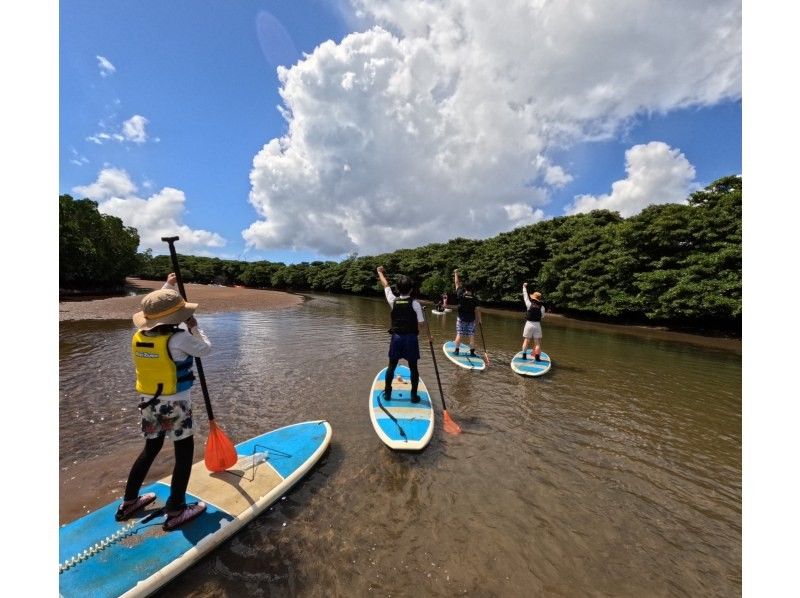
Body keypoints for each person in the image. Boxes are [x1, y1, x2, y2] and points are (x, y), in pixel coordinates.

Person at [116, 273, 210, 531]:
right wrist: (194, 327)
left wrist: (168, 286)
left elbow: (157, 306)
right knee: (183, 455)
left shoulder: (139, 335)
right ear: (176, 318)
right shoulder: (180, 338)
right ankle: (176, 509)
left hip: (149, 404)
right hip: (177, 406)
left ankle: (129, 502)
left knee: (150, 450)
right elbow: (206, 349)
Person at [376, 266, 431, 403]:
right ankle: (413, 396)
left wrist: (379, 272)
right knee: (413, 368)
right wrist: (429, 337)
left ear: (398, 289)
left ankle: (388, 394)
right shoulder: (415, 304)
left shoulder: (392, 300)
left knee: (391, 366)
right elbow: (422, 324)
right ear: (411, 290)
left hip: (397, 339)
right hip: (411, 339)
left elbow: (386, 285)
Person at [453, 270, 481, 356]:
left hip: (461, 319)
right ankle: (472, 352)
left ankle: (456, 351)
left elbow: (457, 283)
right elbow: (477, 310)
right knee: (471, 336)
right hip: (471, 320)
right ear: (472, 289)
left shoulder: (460, 295)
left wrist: (456, 273)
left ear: (465, 288)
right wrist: (479, 320)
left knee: (459, 334)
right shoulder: (475, 298)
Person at [520, 283, 545, 361]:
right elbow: (542, 316)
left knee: (526, 340)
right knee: (537, 342)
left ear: (533, 298)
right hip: (537, 325)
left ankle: (524, 356)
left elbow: (525, 296)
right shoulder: (542, 307)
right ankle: (537, 358)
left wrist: (524, 287)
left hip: (529, 324)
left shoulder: (529, 304)